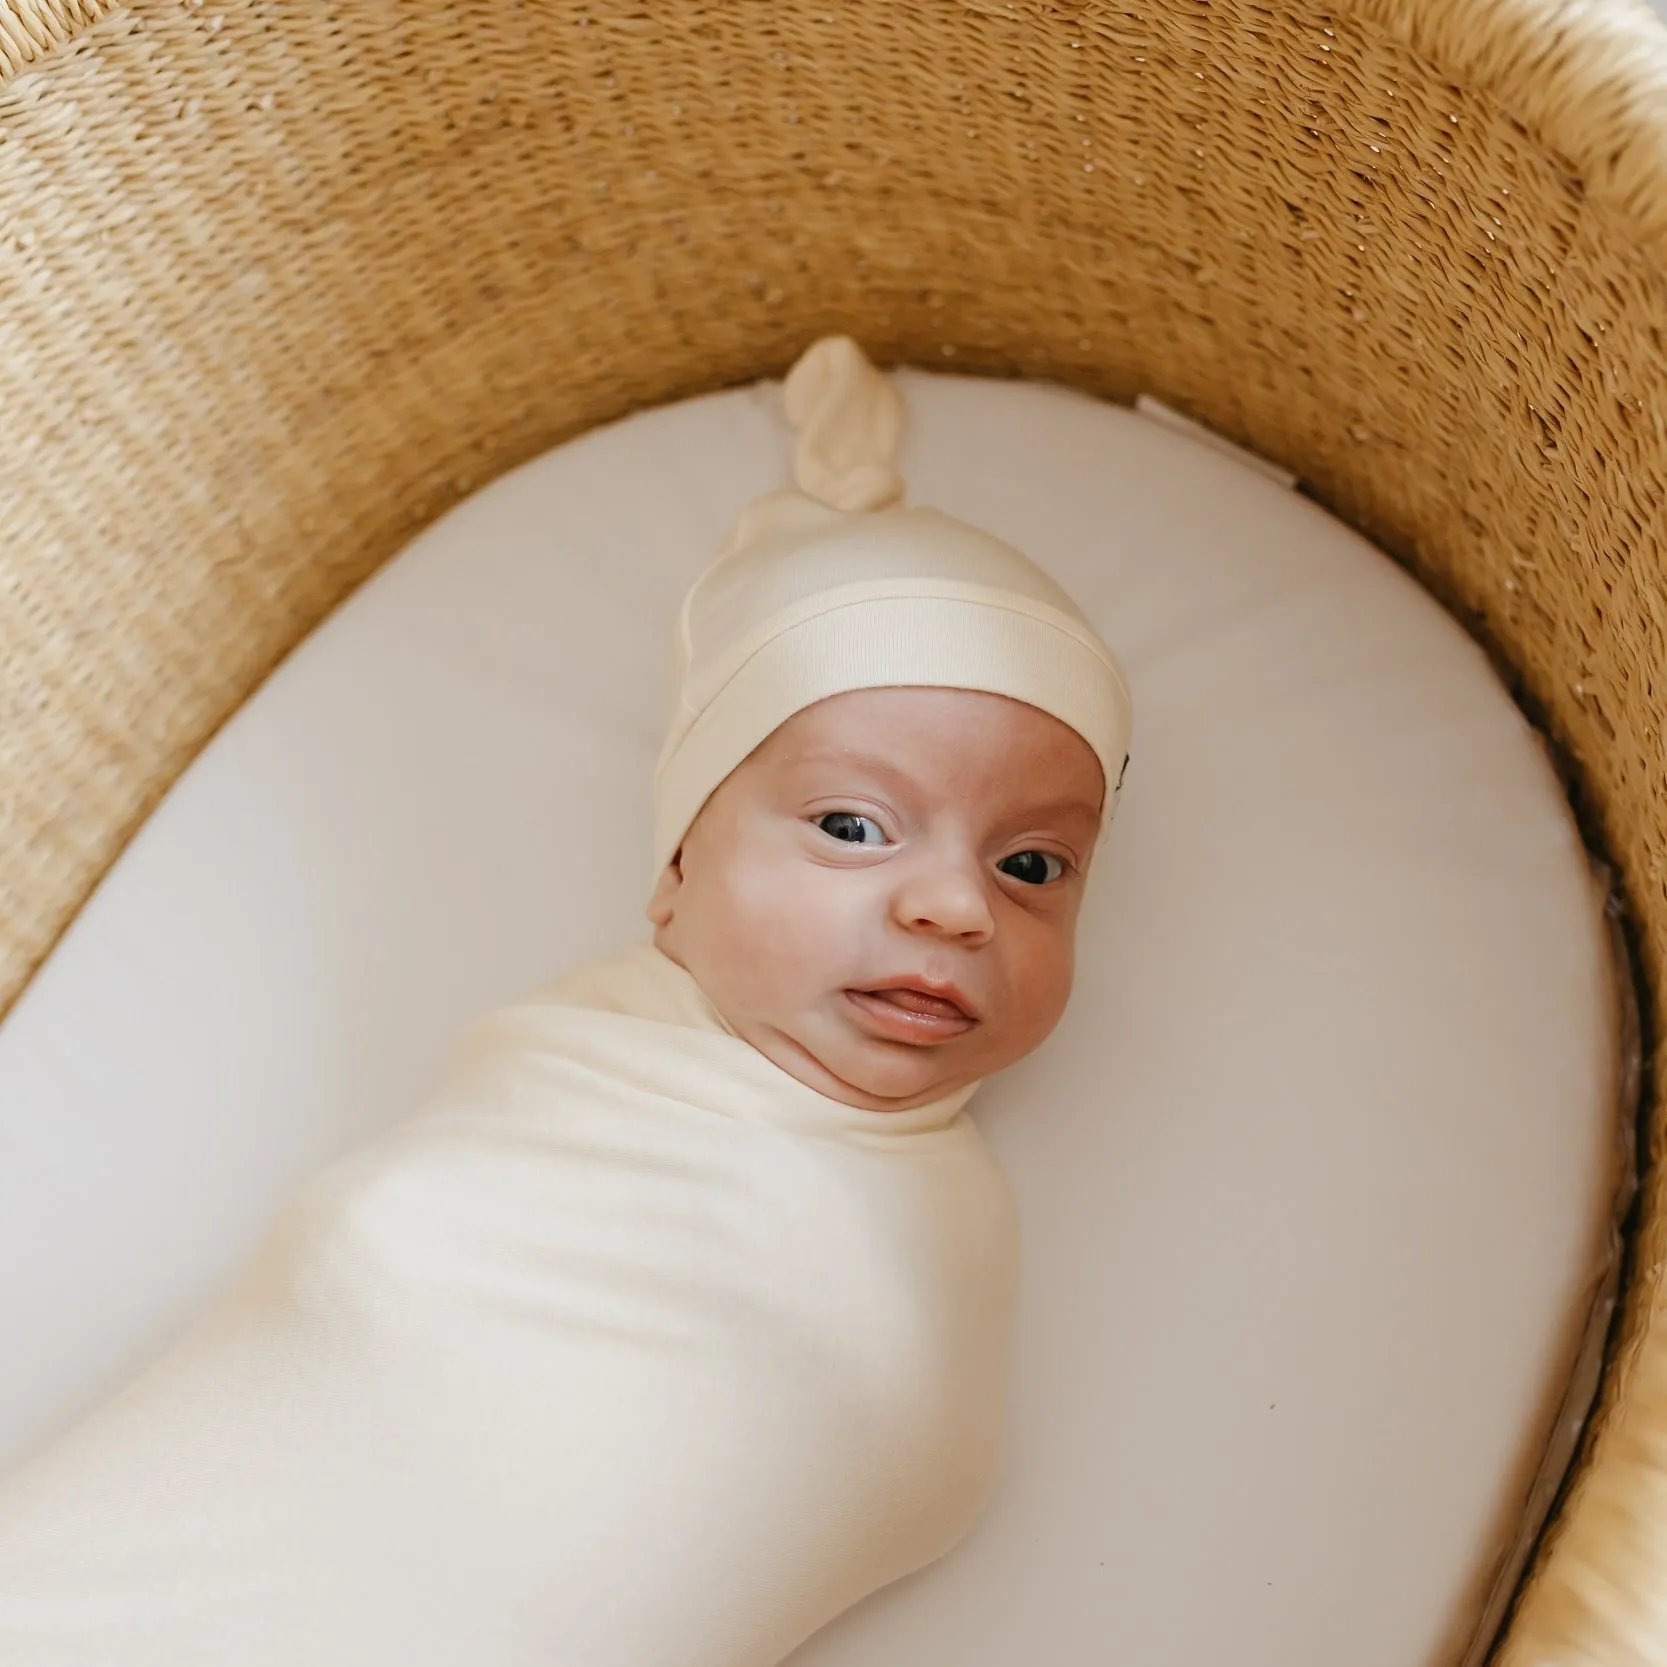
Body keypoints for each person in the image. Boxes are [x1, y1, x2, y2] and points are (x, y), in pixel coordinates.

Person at [0, 336, 1132, 1667]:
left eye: (1031, 865)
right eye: (851, 824)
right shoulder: (584, 1071)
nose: (955, 905)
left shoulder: (938, 1232)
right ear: (672, 878)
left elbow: (862, 1463)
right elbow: (387, 1284)